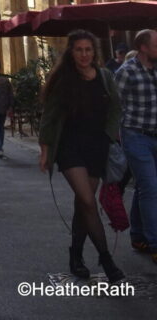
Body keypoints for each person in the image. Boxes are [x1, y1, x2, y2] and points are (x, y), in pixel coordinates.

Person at [38, 29, 124, 283]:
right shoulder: (64, 79)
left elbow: (116, 108)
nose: (84, 54)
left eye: (88, 49)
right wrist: (45, 151)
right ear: (71, 52)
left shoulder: (105, 76)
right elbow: (50, 117)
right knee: (87, 201)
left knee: (82, 205)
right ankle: (107, 260)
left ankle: (75, 255)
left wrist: (109, 136)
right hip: (70, 146)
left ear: (94, 51)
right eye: (79, 49)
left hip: (97, 147)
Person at [115, 28, 157, 264]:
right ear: (143, 47)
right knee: (151, 188)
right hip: (135, 136)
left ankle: (139, 235)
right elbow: (112, 105)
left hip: (155, 135)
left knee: (145, 187)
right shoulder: (126, 72)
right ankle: (155, 243)